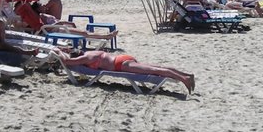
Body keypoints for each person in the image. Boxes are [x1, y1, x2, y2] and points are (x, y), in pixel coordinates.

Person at [58, 49, 195, 93]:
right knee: (158, 67)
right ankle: (186, 74)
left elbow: (66, 62)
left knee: (155, 70)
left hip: (121, 65)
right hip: (122, 58)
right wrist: (64, 50)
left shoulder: (85, 58)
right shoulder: (91, 52)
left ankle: (185, 80)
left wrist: (59, 52)